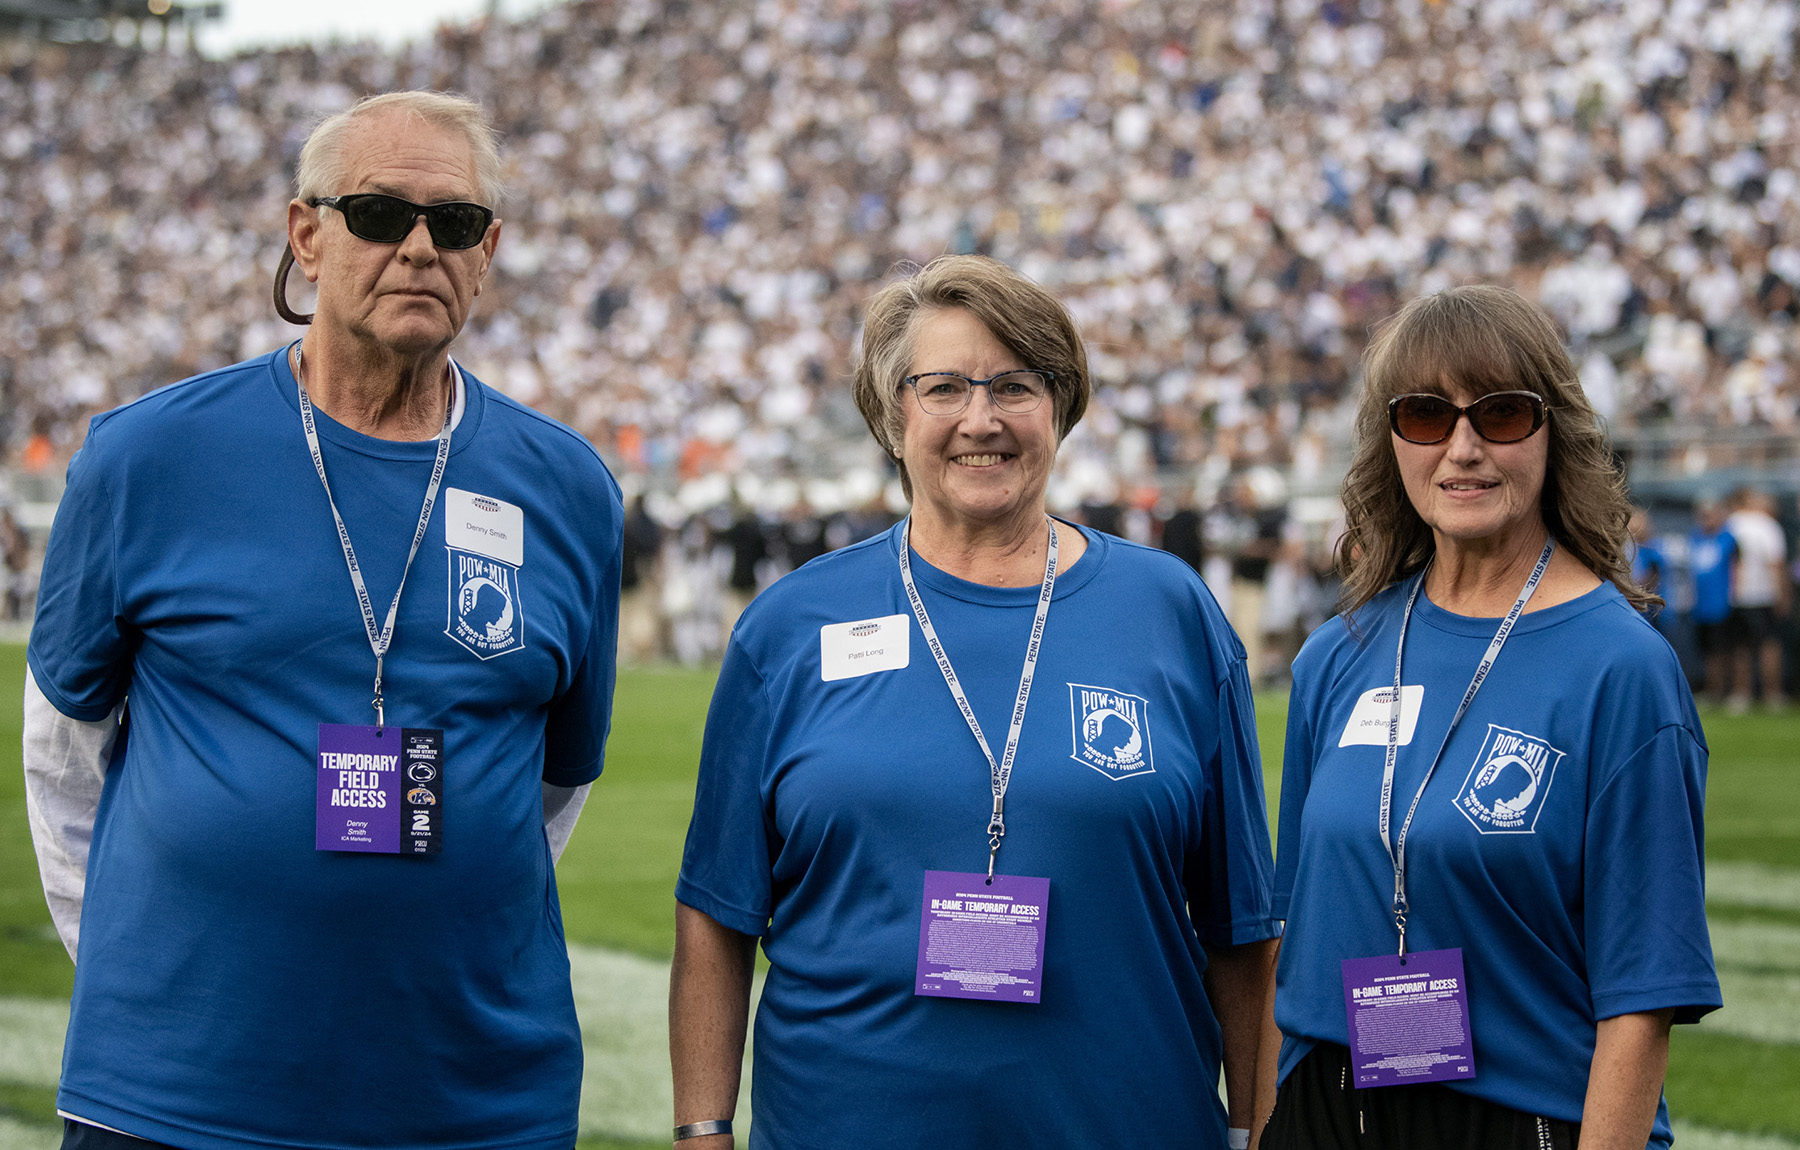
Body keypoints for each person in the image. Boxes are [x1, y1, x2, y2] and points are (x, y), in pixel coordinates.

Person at [24, 91, 622, 1150]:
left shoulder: (568, 486)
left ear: (489, 253)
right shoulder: (146, 457)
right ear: (308, 234)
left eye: (457, 223)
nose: (421, 248)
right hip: (177, 1095)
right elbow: (61, 749)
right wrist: (147, 963)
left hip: (470, 1100)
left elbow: (551, 781)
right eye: (382, 215)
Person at [670, 255, 1279, 1149]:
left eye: (1016, 386)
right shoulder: (791, 626)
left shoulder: (1172, 612)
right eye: (944, 387)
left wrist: (1257, 1134)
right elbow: (716, 914)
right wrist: (701, 1131)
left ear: (1062, 406)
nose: (981, 420)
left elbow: (1243, 930)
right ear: (893, 412)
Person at [1260, 285, 1719, 1150]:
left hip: (1519, 1118)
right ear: (1391, 440)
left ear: (1555, 433)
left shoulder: (1622, 669)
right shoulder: (1337, 655)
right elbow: (1292, 939)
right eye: (1427, 416)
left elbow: (1643, 999)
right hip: (1325, 1109)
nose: (1462, 447)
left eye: (1501, 414)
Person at [1723, 487, 1789, 711]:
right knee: (1769, 644)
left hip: (1736, 595)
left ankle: (1741, 694)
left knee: (1740, 646)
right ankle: (1772, 694)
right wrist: (1782, 594)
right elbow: (1776, 563)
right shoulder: (1767, 525)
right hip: (1764, 594)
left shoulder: (1730, 524)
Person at [1687, 498, 1737, 704]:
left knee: (1724, 651)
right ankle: (1712, 689)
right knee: (1707, 651)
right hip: (1701, 605)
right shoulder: (1695, 538)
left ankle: (1727, 690)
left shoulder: (1728, 539)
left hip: (1722, 603)